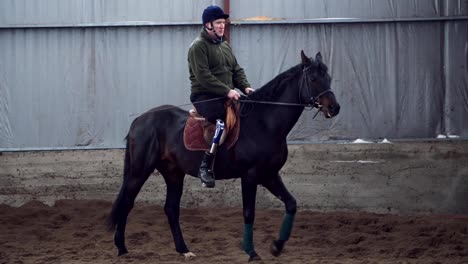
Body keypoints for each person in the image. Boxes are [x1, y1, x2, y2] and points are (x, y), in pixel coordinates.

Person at [188, 5, 254, 188]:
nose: (222, 26)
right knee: (221, 121)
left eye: (223, 23)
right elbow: (204, 76)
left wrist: (246, 87)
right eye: (218, 23)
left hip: (225, 94)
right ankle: (205, 166)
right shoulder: (198, 47)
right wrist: (228, 91)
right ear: (208, 25)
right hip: (205, 96)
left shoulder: (224, 45)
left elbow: (236, 70)